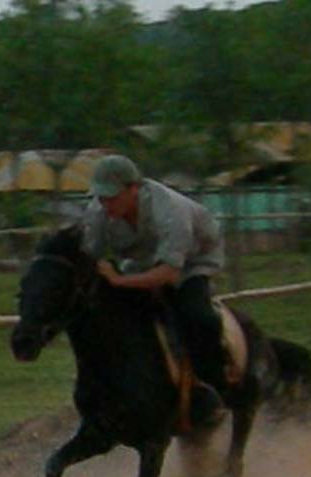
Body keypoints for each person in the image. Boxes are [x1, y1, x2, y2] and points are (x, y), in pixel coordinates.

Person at [80, 154, 227, 424]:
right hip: (141, 262)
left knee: (196, 315)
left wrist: (119, 281)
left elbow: (170, 274)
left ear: (134, 188)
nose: (105, 203)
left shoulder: (170, 210)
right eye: (101, 197)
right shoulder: (98, 212)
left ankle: (212, 385)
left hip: (192, 262)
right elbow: (90, 255)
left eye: (112, 197)